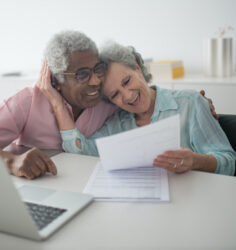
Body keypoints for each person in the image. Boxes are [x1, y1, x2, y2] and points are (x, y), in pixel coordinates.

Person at [39, 42, 235, 176]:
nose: (127, 96)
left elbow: (228, 161)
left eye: (127, 81)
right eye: (115, 94)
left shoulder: (189, 103)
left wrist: (195, 161)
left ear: (138, 69)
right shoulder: (116, 123)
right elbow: (80, 154)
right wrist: (57, 103)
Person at [0, 31, 118, 179]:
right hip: (36, 187)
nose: (96, 81)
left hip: (88, 184)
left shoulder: (107, 101)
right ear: (55, 79)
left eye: (98, 69)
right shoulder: (27, 101)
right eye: (82, 75)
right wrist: (12, 161)